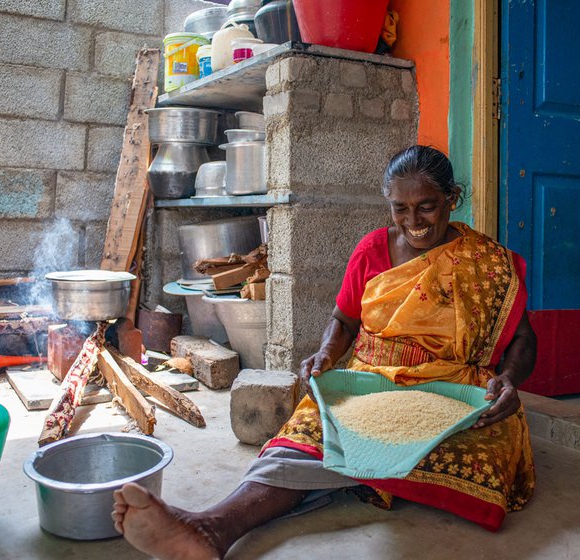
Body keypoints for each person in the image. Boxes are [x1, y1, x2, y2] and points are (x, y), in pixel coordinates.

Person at [112, 145, 537, 560]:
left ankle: (354, 476)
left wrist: (508, 381)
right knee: (303, 440)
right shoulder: (373, 250)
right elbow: (344, 320)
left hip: (450, 391)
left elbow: (522, 338)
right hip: (369, 380)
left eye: (426, 206)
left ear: (453, 199)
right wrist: (326, 356)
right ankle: (211, 528)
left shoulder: (487, 262)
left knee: (486, 453)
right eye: (399, 209)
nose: (413, 221)